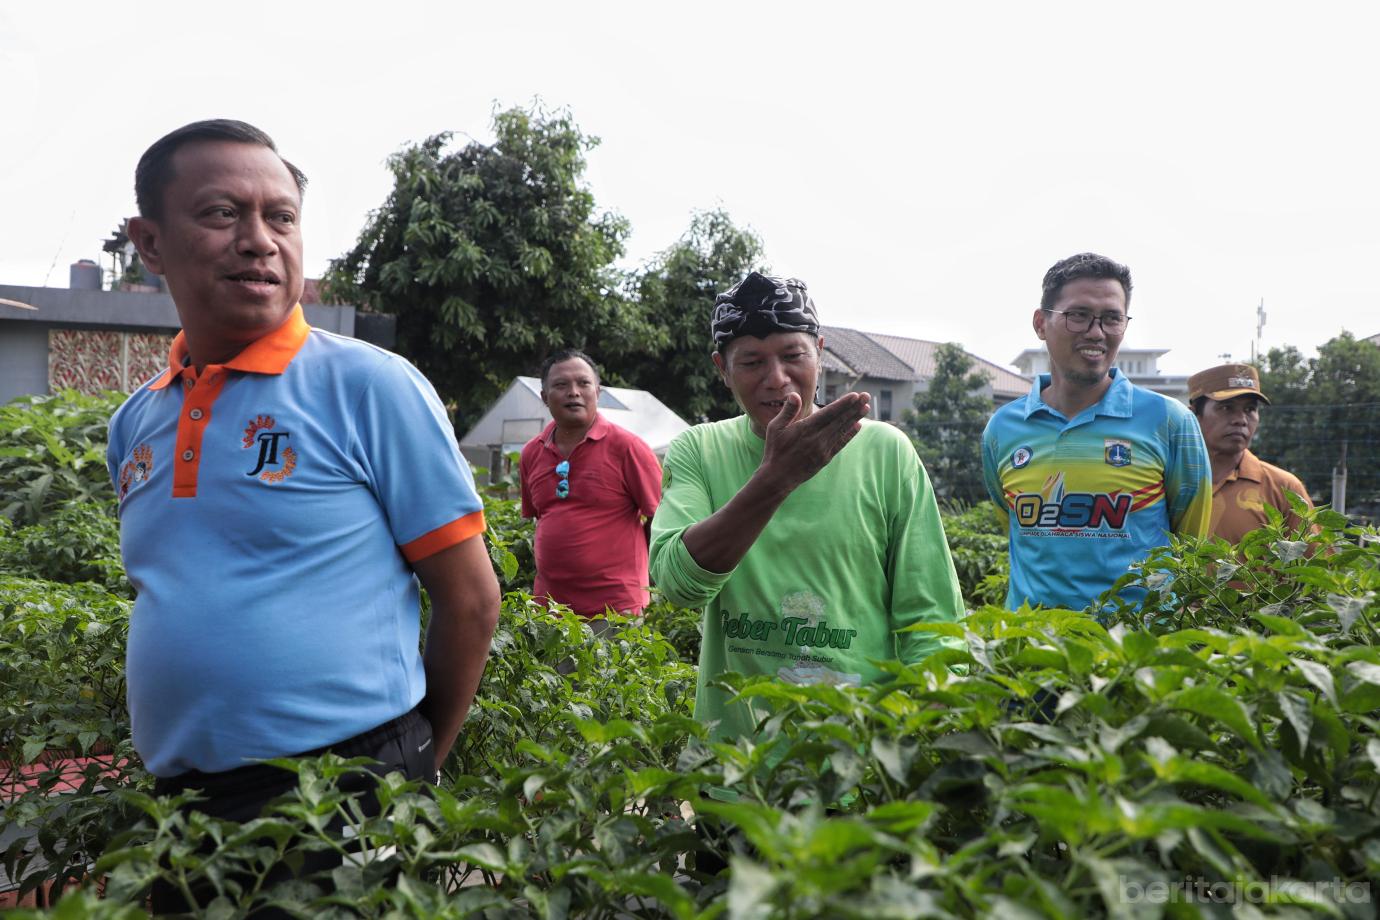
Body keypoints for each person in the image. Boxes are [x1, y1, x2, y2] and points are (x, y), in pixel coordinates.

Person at [108, 119, 501, 906]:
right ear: (150, 243)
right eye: (223, 213)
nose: (260, 241)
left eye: (280, 217)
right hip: (183, 803)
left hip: (342, 790)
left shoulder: (370, 387)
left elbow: (470, 599)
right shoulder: (137, 421)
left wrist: (413, 767)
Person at [649, 271, 964, 745]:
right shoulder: (699, 449)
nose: (777, 379)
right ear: (722, 369)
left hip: (858, 756)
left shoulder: (886, 452)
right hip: (735, 762)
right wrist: (776, 478)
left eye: (793, 355)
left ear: (819, 350)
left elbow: (932, 619)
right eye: (751, 362)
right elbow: (678, 585)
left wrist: (925, 731)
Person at [981, 252, 1212, 613]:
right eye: (1078, 315)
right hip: (1029, 642)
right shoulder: (1002, 429)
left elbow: (1190, 549)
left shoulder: (1170, 422)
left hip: (1138, 644)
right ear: (1041, 323)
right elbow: (1015, 529)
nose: (1096, 332)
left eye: (1112, 319)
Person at [519, 348, 663, 624]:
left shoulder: (628, 448)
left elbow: (661, 517)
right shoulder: (531, 453)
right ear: (545, 397)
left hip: (615, 610)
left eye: (583, 383)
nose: (573, 392)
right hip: (550, 610)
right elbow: (540, 517)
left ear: (597, 392)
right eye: (561, 385)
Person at [1187, 362, 1313, 541]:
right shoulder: (1169, 480)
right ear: (1193, 415)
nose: (1241, 420)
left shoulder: (1285, 489)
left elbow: (1315, 557)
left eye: (1250, 409)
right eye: (1226, 408)